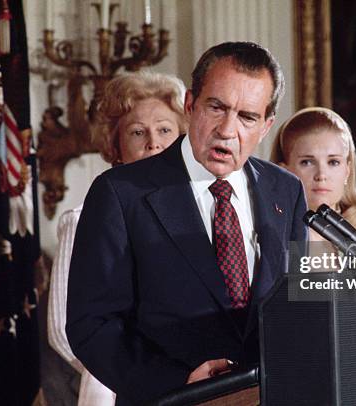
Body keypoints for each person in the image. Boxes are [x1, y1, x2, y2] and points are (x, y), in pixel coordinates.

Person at [66, 41, 307, 404]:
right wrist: (178, 382)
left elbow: (294, 304)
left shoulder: (285, 190)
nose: (227, 130)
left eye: (247, 117)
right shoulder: (120, 194)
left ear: (266, 125)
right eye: (217, 107)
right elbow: (92, 325)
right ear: (191, 104)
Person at [47, 71, 187, 405]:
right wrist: (139, 374)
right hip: (118, 390)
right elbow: (62, 329)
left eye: (165, 130)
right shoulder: (83, 219)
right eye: (138, 132)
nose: (153, 142)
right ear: (116, 145)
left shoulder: (203, 215)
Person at [272, 107, 356, 244]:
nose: (321, 175)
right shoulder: (268, 235)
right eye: (307, 162)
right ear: (284, 172)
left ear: (347, 171)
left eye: (333, 162)